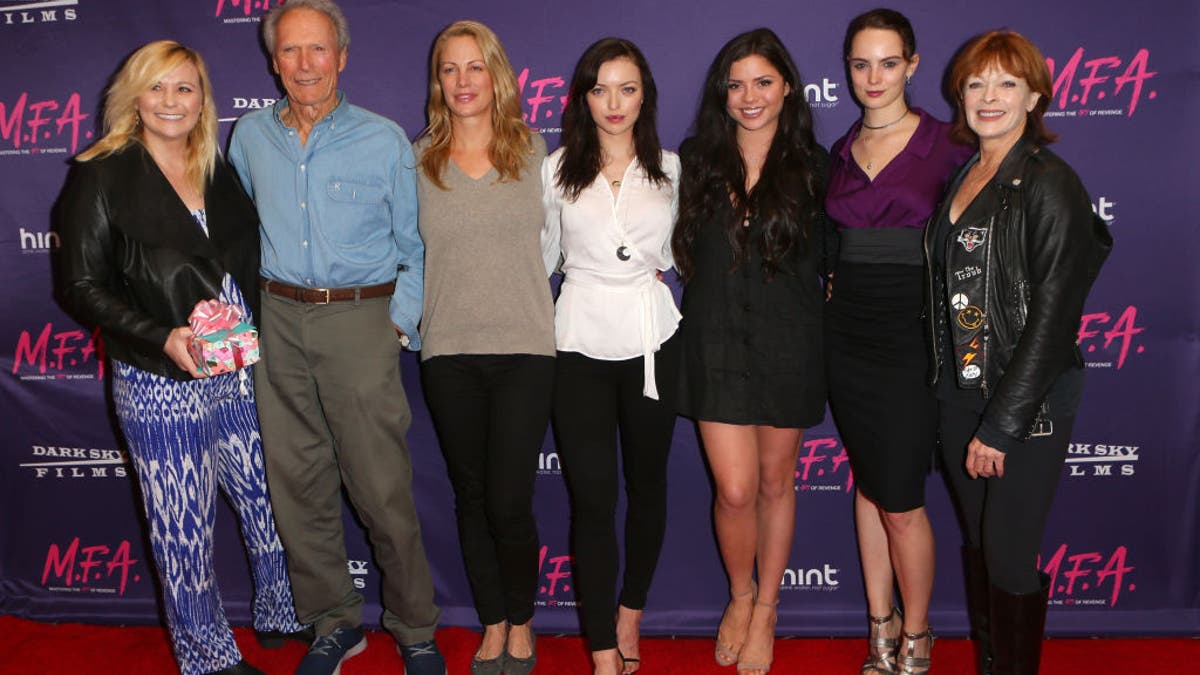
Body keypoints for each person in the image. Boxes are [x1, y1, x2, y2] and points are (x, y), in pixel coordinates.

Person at [55, 40, 306, 675]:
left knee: (266, 496)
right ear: (133, 96)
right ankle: (206, 656)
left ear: (203, 100)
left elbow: (239, 264)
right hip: (159, 377)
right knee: (183, 526)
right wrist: (159, 335)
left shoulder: (216, 168)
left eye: (186, 88)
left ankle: (281, 611)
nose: (172, 101)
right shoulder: (101, 173)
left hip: (238, 367)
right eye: (157, 87)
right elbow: (80, 287)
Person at [226, 1, 446, 674]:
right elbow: (233, 237)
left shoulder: (382, 141)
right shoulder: (248, 138)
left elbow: (416, 245)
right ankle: (333, 622)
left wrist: (397, 323)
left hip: (360, 321)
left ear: (342, 57)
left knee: (380, 486)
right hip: (277, 322)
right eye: (289, 51)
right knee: (298, 483)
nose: (303, 65)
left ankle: (415, 626)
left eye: (317, 50)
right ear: (273, 61)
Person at [927, 29, 1111, 675]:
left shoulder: (1049, 183)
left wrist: (1003, 423)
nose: (989, 96)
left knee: (1007, 551)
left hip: (1025, 403)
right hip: (959, 394)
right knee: (981, 544)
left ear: (1035, 94)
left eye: (1006, 83)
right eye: (976, 83)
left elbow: (1055, 320)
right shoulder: (967, 175)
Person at [672, 28, 829, 675]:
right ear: (722, 94)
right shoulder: (695, 160)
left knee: (773, 481)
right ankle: (739, 594)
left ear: (787, 86)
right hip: (713, 341)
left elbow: (836, 261)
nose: (749, 96)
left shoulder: (818, 168)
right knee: (735, 490)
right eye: (736, 85)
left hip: (790, 343)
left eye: (763, 81)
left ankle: (767, 606)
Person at [824, 9, 972, 674]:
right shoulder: (839, 150)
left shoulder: (949, 145)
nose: (873, 76)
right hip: (846, 338)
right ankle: (878, 624)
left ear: (912, 64)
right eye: (861, 64)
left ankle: (918, 632)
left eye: (888, 62)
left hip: (915, 337)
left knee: (902, 500)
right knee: (867, 483)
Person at [414, 19, 553, 675]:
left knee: (508, 498)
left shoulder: (537, 154)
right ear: (437, 80)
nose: (463, 80)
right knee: (470, 496)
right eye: (450, 68)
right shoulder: (416, 161)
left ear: (496, 74)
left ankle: (523, 619)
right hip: (447, 352)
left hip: (526, 349)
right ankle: (493, 621)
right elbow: (403, 257)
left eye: (475, 66)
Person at [541, 37, 682, 675]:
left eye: (627, 88)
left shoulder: (672, 170)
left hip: (654, 339)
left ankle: (631, 614)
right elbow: (541, 261)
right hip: (577, 343)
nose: (614, 102)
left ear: (644, 93)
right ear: (583, 97)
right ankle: (602, 649)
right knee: (592, 500)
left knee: (647, 488)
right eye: (600, 89)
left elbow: (683, 257)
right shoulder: (556, 167)